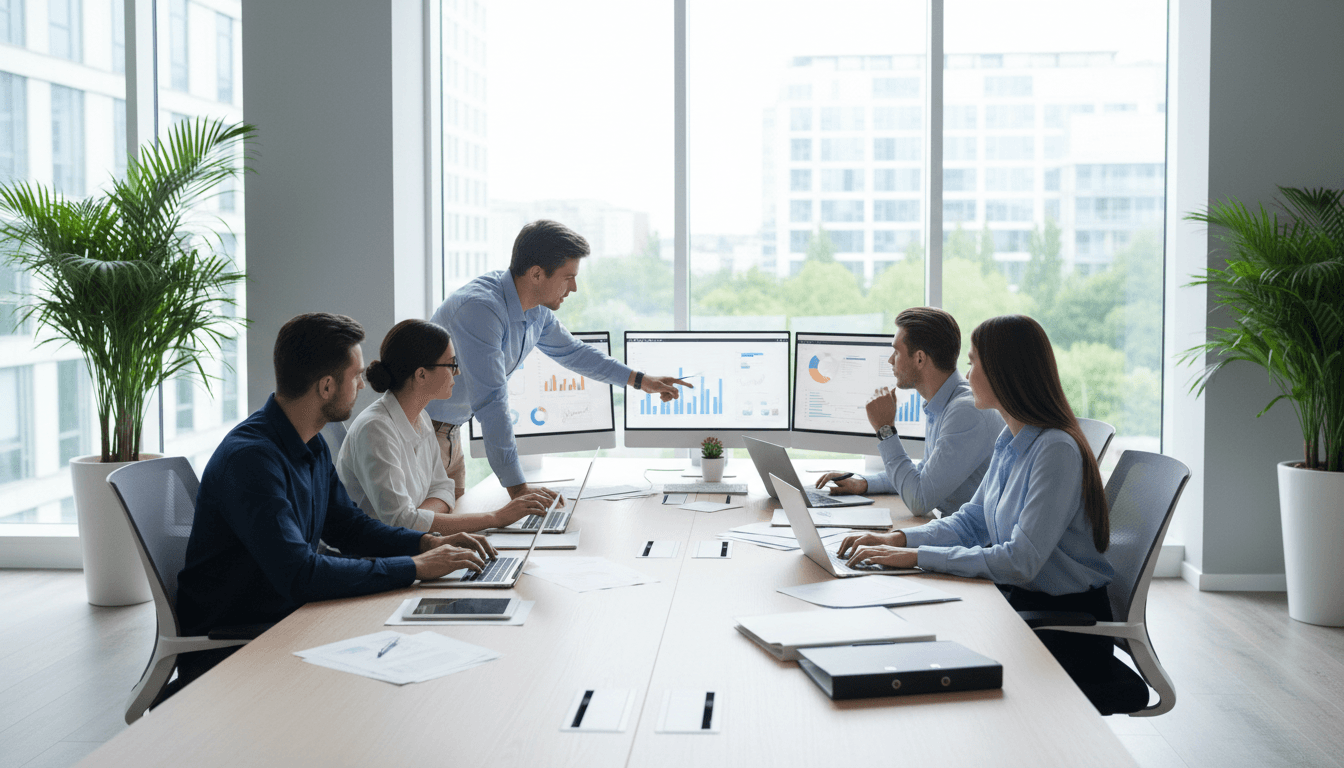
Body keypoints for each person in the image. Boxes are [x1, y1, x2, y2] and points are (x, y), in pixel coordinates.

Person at [175, 313, 497, 684]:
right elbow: (300, 574)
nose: (363, 384)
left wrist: (425, 543)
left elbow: (349, 527)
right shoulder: (251, 461)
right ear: (327, 386)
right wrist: (415, 567)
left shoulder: (310, 443)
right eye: (356, 375)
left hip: (291, 614)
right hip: (242, 641)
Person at [837, 314, 1115, 678]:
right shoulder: (1011, 439)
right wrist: (899, 540)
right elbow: (973, 520)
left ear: (1004, 372)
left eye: (973, 363)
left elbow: (1019, 561)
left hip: (1061, 626)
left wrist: (918, 556)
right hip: (1019, 602)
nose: (966, 376)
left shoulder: (1055, 450)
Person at [427, 219, 689, 500]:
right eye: (568, 277)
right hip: (423, 433)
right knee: (426, 537)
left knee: (452, 534)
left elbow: (574, 352)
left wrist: (641, 381)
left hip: (450, 434)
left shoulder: (535, 311)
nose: (574, 288)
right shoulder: (481, 310)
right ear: (537, 274)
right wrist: (520, 492)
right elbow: (492, 404)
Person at [336, 319, 551, 532]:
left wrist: (417, 518)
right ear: (421, 374)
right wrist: (496, 517)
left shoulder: (421, 419)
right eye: (451, 364)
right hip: (373, 559)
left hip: (406, 545)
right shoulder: (375, 429)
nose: (457, 372)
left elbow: (443, 488)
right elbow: (401, 522)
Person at [815, 307, 1003, 518]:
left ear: (920, 358)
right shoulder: (942, 404)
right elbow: (924, 473)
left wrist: (885, 430)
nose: (890, 360)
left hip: (973, 542)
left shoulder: (965, 412)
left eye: (896, 352)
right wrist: (864, 483)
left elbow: (919, 500)